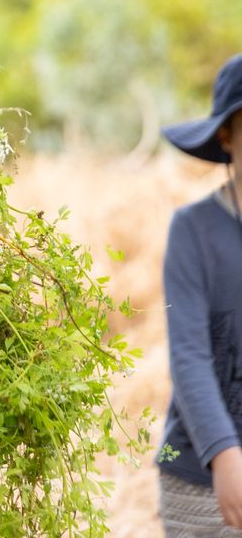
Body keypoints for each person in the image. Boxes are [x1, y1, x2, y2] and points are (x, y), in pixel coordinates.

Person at [157, 53, 242, 536]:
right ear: (227, 135)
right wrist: (225, 454)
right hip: (197, 470)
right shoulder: (193, 231)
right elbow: (188, 356)